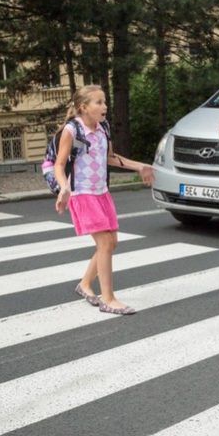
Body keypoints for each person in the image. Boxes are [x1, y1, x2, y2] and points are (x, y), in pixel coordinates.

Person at [55, 85, 155, 315]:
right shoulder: (72, 130)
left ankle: (85, 284)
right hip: (82, 193)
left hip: (101, 192)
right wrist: (64, 188)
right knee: (105, 244)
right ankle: (108, 299)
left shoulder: (103, 128)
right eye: (99, 102)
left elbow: (109, 157)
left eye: (105, 102)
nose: (105, 106)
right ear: (84, 107)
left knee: (111, 243)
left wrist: (139, 166)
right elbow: (60, 164)